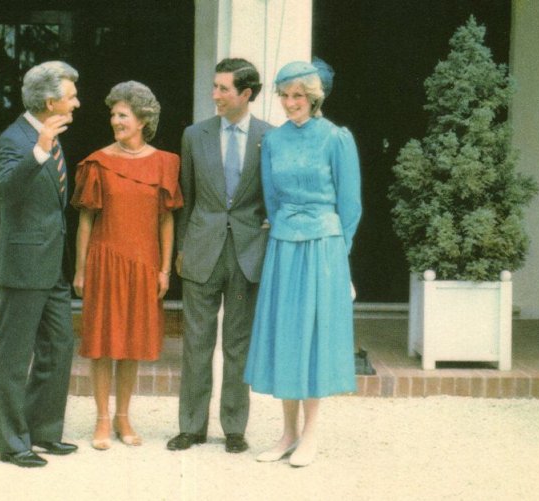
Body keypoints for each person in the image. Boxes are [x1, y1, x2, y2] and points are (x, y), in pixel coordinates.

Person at [244, 59, 362, 467]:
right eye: (285, 95)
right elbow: (272, 199)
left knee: (312, 338)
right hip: (284, 245)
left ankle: (310, 435)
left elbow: (350, 206)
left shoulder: (336, 138)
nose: (290, 102)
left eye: (298, 96)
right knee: (285, 334)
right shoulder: (273, 141)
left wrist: (340, 262)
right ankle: (287, 433)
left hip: (323, 249)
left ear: (314, 98)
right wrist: (283, 230)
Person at [167, 58, 272, 454]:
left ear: (246, 94)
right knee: (195, 341)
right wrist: (181, 248)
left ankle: (234, 428)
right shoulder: (195, 135)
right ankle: (191, 427)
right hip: (201, 249)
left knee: (237, 344)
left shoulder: (269, 136)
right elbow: (186, 198)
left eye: (223, 89)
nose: (215, 95)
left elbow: (271, 198)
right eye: (214, 87)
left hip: (248, 254)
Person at [72, 81, 182, 451]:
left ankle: (124, 416)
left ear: (142, 119)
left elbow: (167, 220)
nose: (115, 121)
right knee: (103, 343)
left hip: (144, 264)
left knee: (132, 344)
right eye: (113, 115)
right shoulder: (98, 162)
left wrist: (165, 268)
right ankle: (102, 419)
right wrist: (80, 269)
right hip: (104, 261)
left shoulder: (166, 163)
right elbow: (85, 220)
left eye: (122, 115)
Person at [0, 61, 81, 468]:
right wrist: (40, 150)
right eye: (71, 95)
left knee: (59, 348)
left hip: (52, 263)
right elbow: (6, 193)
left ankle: (44, 432)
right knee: (13, 357)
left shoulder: (50, 132)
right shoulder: (16, 138)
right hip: (24, 264)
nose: (77, 102)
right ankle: (12, 443)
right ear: (50, 101)